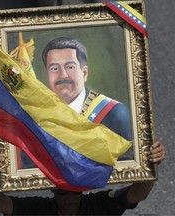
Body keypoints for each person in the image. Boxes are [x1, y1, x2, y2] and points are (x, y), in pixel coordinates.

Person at [20, 37, 133, 168]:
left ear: (84, 73)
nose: (63, 75)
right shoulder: (36, 120)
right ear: (47, 75)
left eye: (70, 67)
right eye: (54, 68)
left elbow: (130, 170)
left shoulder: (115, 114)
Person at [0, 140, 165, 215]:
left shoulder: (99, 205)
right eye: (62, 193)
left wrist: (151, 164)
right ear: (52, 190)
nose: (69, 198)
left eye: (75, 192)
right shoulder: (38, 210)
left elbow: (137, 194)